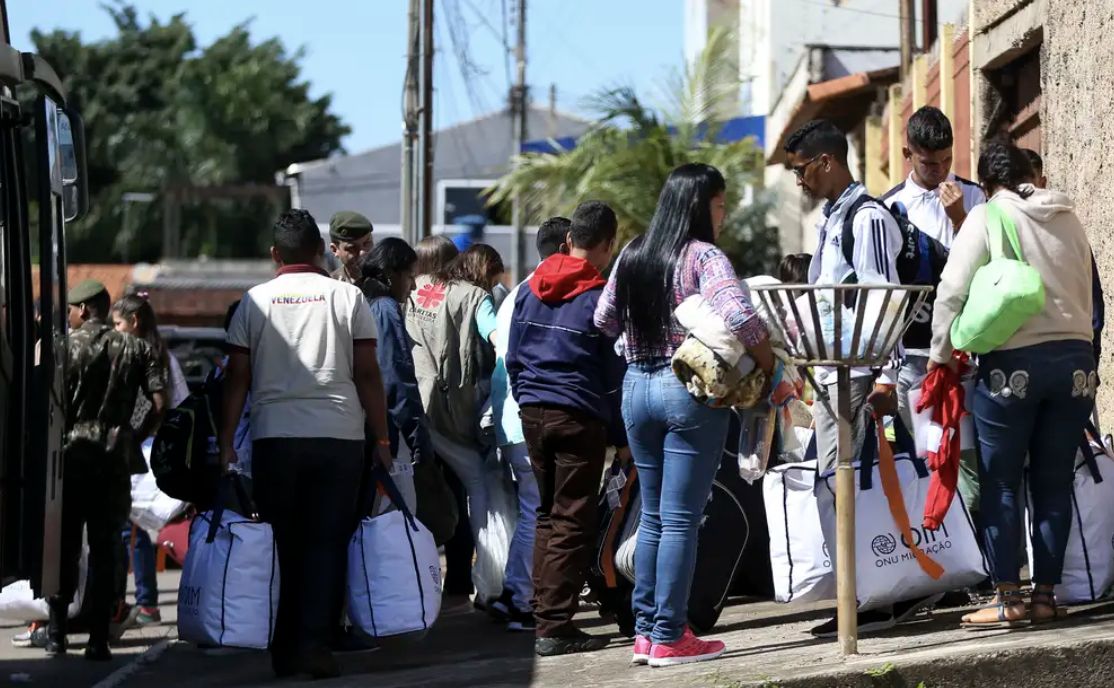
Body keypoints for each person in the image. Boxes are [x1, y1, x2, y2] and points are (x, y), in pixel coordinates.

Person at [596, 164, 776, 667]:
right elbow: (741, 316)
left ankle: (646, 632)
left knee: (651, 516)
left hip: (636, 388)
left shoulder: (632, 252)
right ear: (703, 205)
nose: (723, 214)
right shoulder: (702, 256)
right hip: (689, 389)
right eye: (720, 204)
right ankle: (671, 634)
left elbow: (602, 318)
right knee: (680, 519)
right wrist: (769, 365)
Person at [785, 119, 944, 637]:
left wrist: (882, 377)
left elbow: (882, 300)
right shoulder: (833, 219)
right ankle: (863, 595)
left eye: (802, 170)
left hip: (861, 378)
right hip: (835, 376)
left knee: (845, 483)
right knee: (839, 485)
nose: (800, 182)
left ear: (826, 161)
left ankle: (874, 598)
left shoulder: (866, 218)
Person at [220, 208, 392, 679]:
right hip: (338, 439)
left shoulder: (254, 301)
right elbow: (368, 374)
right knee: (326, 545)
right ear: (320, 250)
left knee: (283, 544)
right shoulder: (347, 297)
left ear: (275, 254)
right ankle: (315, 647)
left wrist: (226, 443)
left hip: (274, 438)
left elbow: (237, 378)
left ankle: (283, 647)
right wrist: (379, 438)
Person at [930, 141, 1095, 627]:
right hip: (1076, 364)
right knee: (1054, 482)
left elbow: (952, 289)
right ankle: (1045, 597)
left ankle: (1007, 599)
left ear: (985, 184)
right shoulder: (1068, 216)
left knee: (1001, 482)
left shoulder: (987, 215)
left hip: (1012, 366)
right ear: (1031, 175)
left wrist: (941, 355)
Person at [506, 204, 628, 656]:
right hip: (578, 415)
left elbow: (513, 356)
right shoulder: (599, 299)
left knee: (546, 514)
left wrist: (526, 399)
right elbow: (612, 377)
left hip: (534, 413)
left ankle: (546, 614)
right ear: (607, 244)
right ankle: (554, 626)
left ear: (569, 238)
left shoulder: (528, 289)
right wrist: (621, 436)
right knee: (573, 519)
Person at [50, 279, 168, 661]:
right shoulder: (138, 347)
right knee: (105, 550)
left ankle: (56, 633)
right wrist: (135, 434)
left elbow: (48, 404)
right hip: (115, 458)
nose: (69, 316)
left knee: (64, 547)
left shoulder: (63, 347)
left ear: (84, 310)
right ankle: (99, 638)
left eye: (70, 309)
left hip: (70, 456)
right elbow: (160, 402)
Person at [885, 106, 986, 522]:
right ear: (908, 153)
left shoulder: (975, 196)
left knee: (968, 462)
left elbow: (990, 267)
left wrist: (960, 218)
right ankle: (941, 560)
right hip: (916, 357)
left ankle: (976, 559)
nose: (940, 170)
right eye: (929, 163)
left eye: (947, 161)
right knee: (929, 457)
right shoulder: (889, 208)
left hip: (967, 355)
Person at [406, 242, 503, 599]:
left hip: (414, 410)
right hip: (452, 415)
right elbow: (498, 340)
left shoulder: (415, 288)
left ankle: (418, 583)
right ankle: (486, 578)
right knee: (476, 486)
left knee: (416, 496)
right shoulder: (475, 297)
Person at [488, 216, 570, 632]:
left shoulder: (518, 292)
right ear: (567, 245)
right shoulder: (549, 291)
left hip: (512, 420)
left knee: (533, 512)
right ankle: (519, 597)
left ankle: (516, 594)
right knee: (540, 512)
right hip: (529, 420)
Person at [109, 294, 190, 629]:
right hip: (155, 454)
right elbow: (183, 403)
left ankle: (144, 602)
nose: (114, 331)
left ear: (134, 322)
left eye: (118, 324)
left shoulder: (132, 357)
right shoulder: (165, 357)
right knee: (136, 529)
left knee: (131, 530)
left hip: (138, 455)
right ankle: (141, 601)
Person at [360, 238, 432, 506]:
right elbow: (395, 377)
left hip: (362, 428)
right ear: (392, 274)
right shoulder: (385, 308)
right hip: (389, 431)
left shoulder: (361, 300)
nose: (413, 286)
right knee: (400, 514)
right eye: (410, 276)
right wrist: (417, 435)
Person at [1023, 149, 1104, 367]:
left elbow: (1092, 299)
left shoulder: (1069, 228)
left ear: (1042, 182)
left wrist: (1091, 354)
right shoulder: (1008, 230)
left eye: (1029, 183)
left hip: (1071, 356)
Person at [329, 211, 374, 284]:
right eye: (352, 248)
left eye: (367, 244)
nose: (362, 253)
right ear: (335, 250)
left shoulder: (388, 280)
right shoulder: (331, 284)